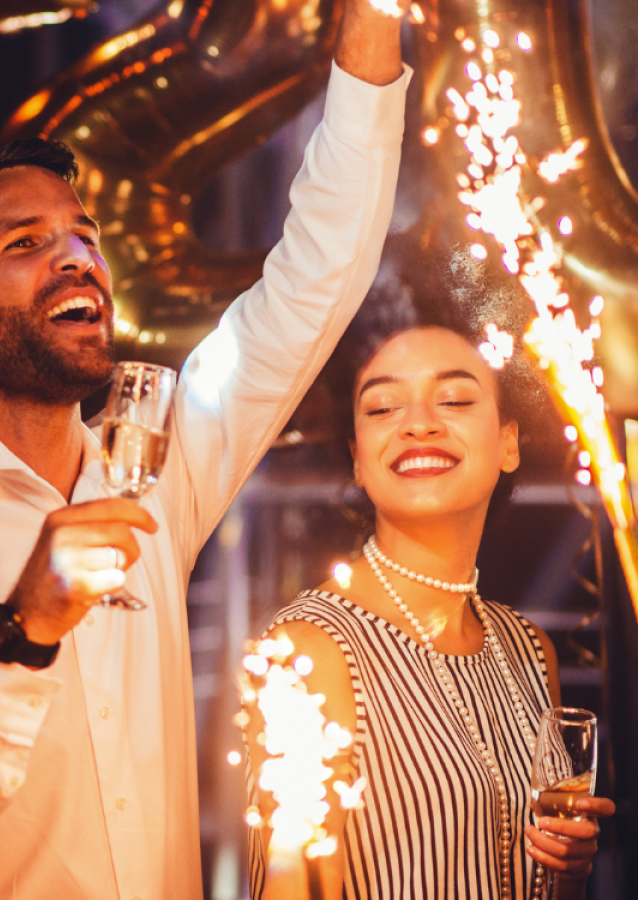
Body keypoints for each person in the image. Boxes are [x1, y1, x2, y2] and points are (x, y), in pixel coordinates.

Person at [0, 1, 412, 896]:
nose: (78, 260)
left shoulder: (154, 465)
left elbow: (317, 277)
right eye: (26, 244)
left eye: (85, 238)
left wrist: (375, 19)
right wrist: (24, 630)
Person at [243, 259, 616, 900]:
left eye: (455, 399)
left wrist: (567, 870)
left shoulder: (529, 651)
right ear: (359, 459)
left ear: (508, 443)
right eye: (383, 406)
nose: (419, 423)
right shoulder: (310, 648)